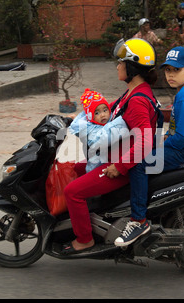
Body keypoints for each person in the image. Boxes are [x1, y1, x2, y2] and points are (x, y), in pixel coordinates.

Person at [61, 38, 160, 254]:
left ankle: (85, 238)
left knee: (72, 192)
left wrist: (120, 166)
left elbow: (145, 141)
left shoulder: (137, 100)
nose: (117, 66)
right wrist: (71, 119)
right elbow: (106, 112)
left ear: (132, 67)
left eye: (121, 63)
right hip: (115, 156)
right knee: (74, 168)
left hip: (124, 166)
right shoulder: (131, 93)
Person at [114, 46, 184, 247]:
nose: (171, 75)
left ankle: (138, 221)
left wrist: (162, 144)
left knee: (140, 163)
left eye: (176, 70)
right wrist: (163, 138)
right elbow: (179, 130)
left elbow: (183, 137)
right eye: (168, 70)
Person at [69, 88, 129, 174]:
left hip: (107, 161)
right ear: (90, 117)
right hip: (95, 165)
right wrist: (120, 124)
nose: (103, 115)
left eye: (105, 110)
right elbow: (105, 137)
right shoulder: (91, 129)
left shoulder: (109, 120)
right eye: (97, 113)